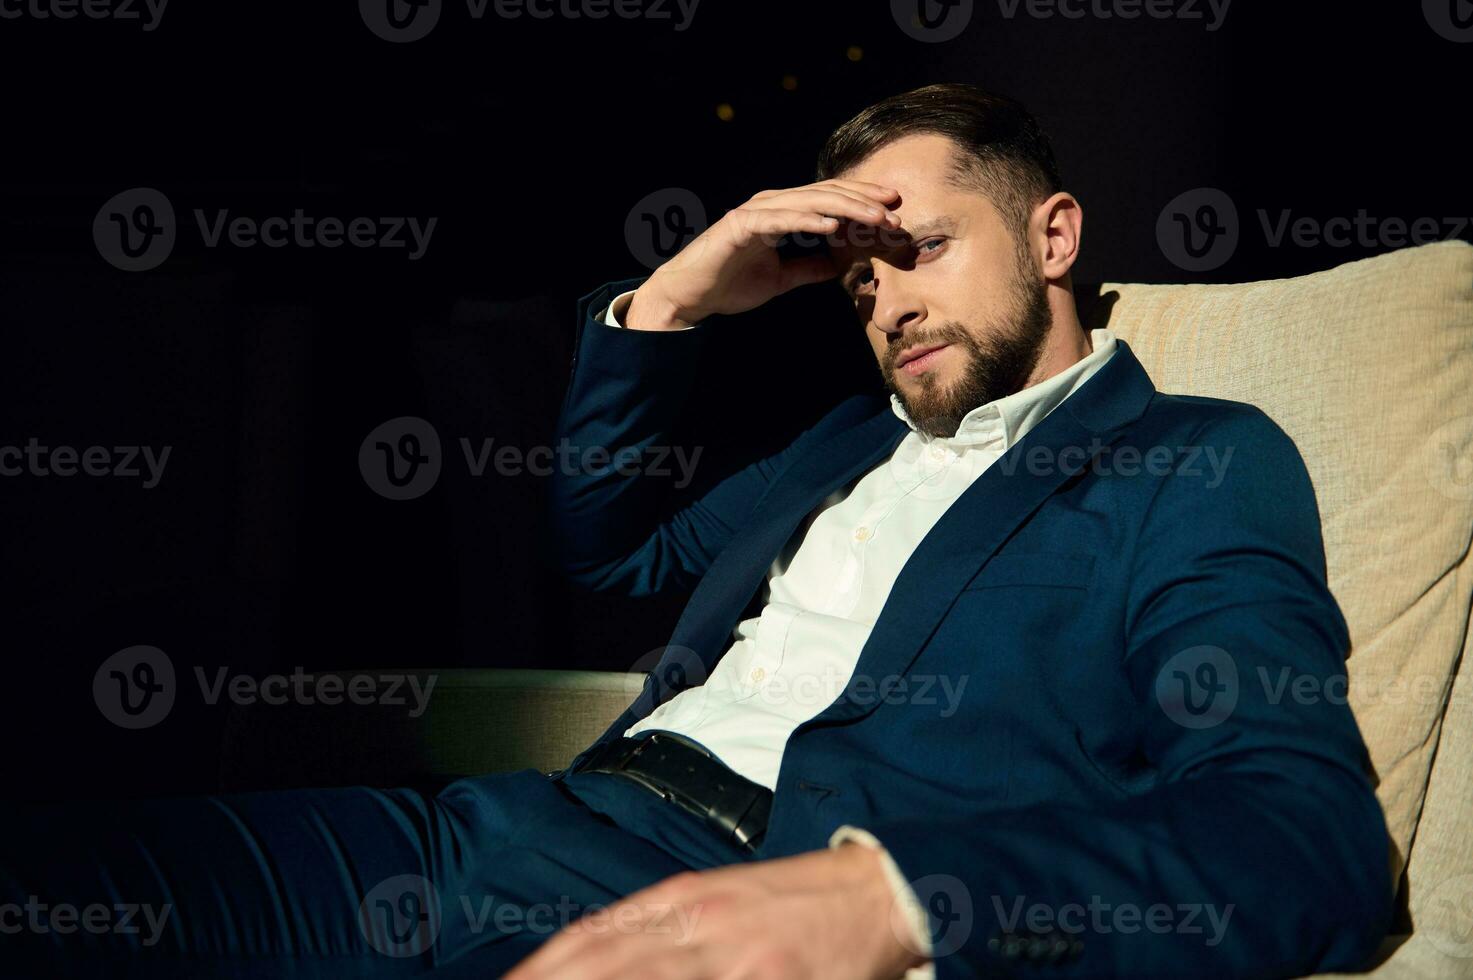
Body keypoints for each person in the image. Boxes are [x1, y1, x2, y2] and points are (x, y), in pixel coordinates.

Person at [0, 83, 1393, 980]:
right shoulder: (846, 446)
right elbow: (605, 557)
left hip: (760, 897)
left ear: (1051, 234)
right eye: (854, 282)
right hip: (518, 833)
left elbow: (1299, 838)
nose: (886, 302)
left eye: (919, 249)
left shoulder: (1190, 456)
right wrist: (664, 305)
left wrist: (890, 903)